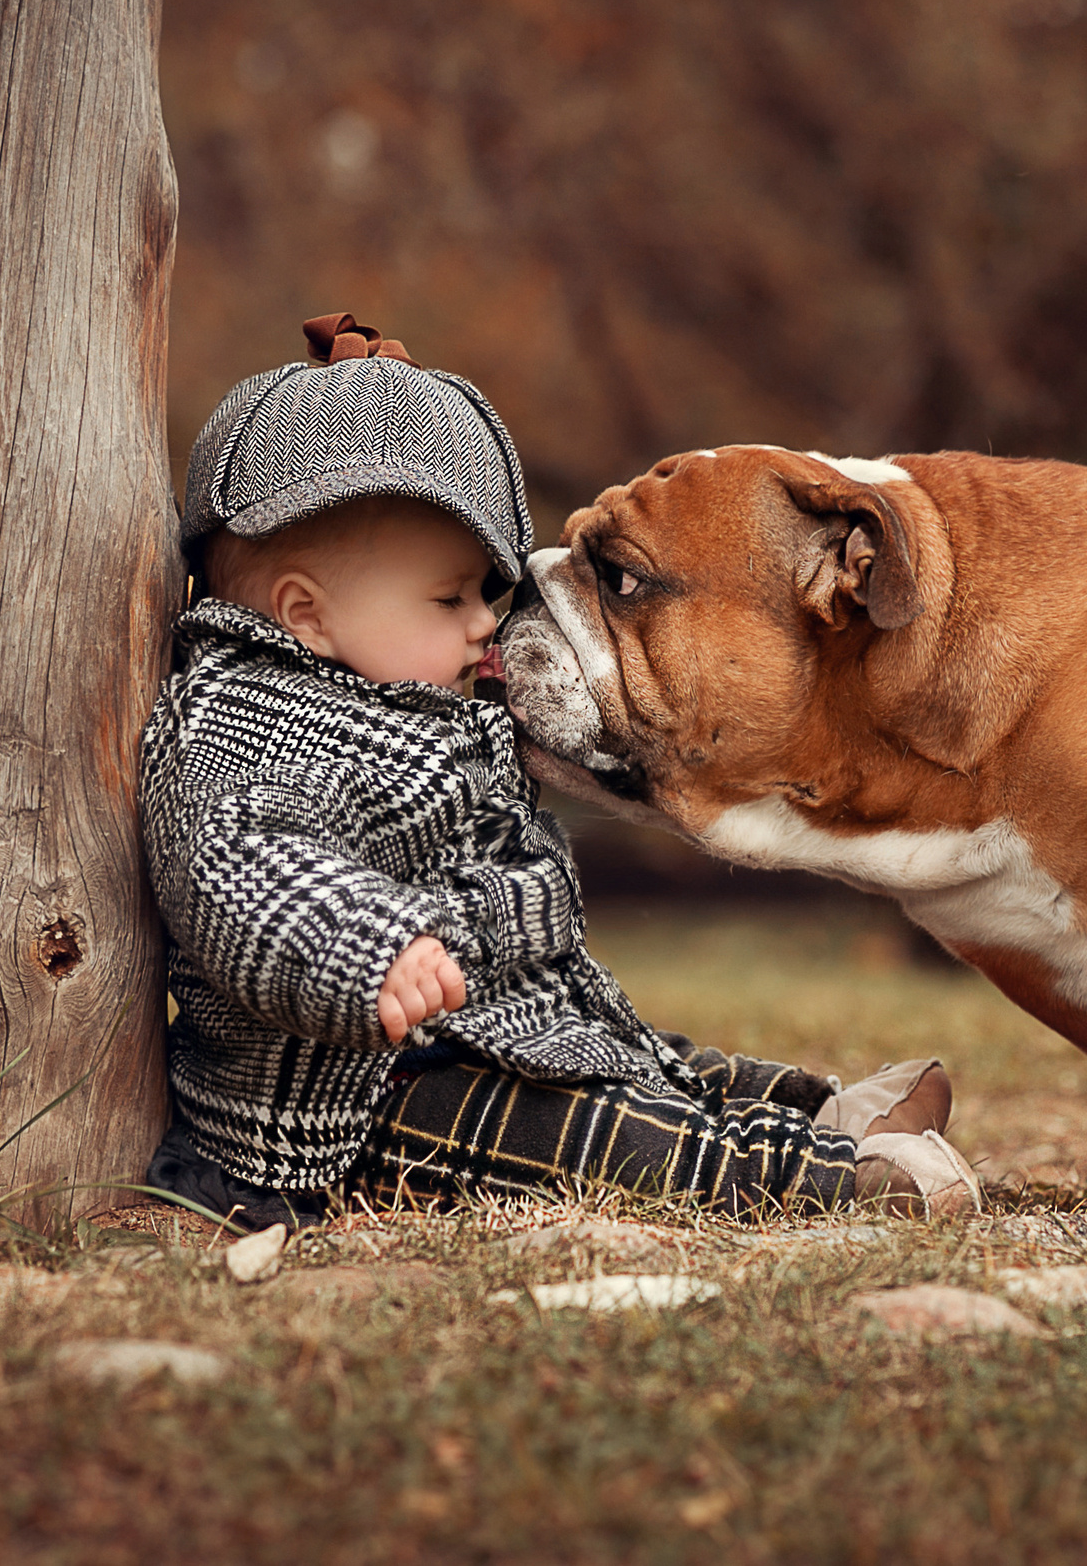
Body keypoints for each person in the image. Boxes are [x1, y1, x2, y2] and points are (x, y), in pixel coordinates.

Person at [138, 313, 980, 1230]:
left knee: (638, 1053)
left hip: (479, 1023)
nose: (481, 624)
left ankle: (817, 1104)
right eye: (449, 597)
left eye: (484, 595)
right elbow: (239, 867)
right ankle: (819, 1175)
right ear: (306, 614)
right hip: (365, 1099)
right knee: (597, 1130)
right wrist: (371, 949)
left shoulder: (399, 697)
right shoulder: (235, 727)